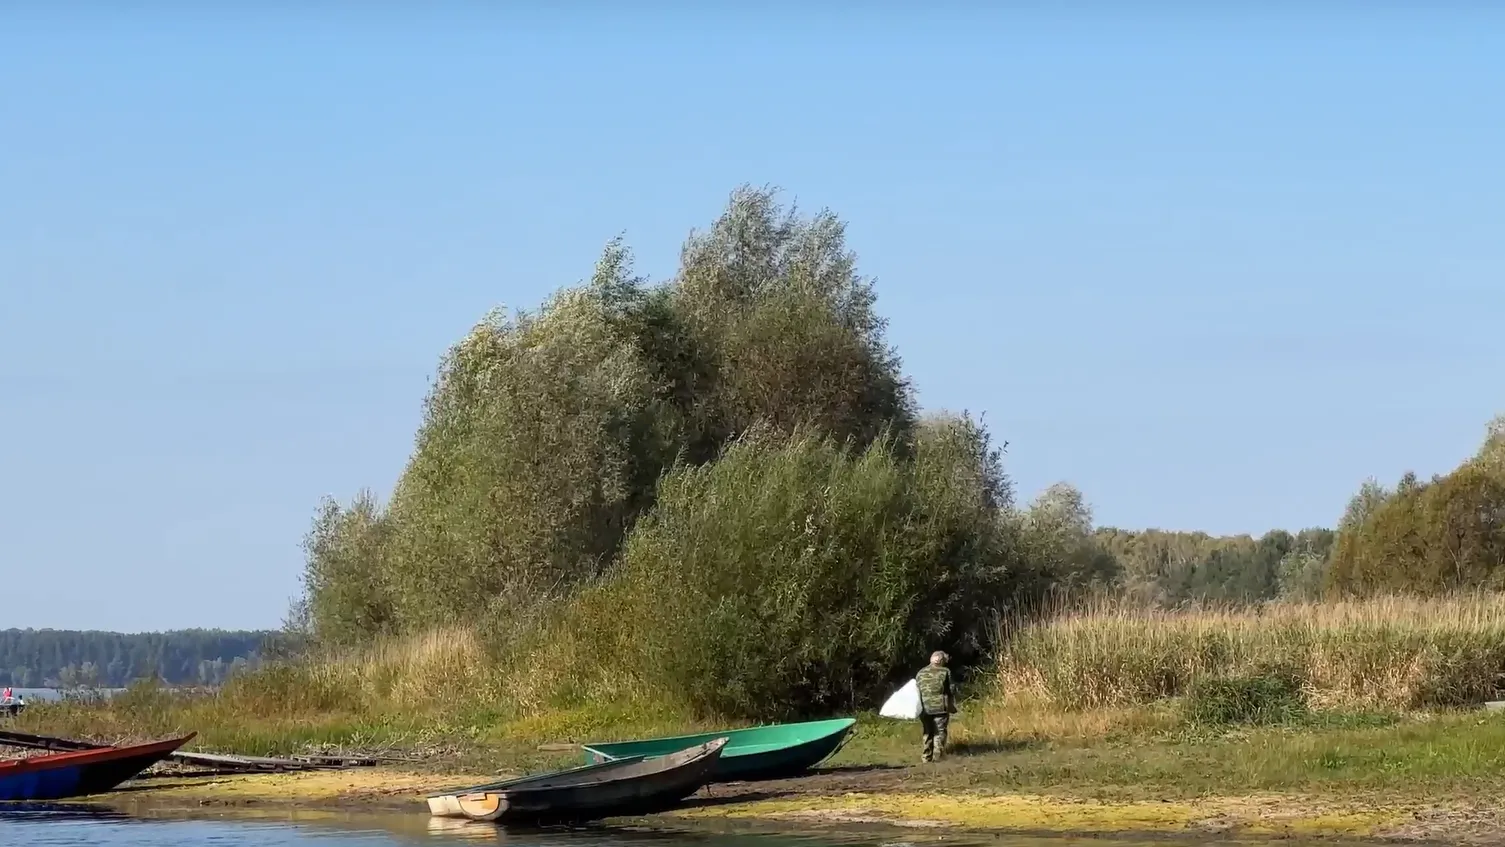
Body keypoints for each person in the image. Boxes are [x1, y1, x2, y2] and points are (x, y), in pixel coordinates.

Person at [915, 650, 956, 762]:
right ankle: (938, 757)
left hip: (924, 708)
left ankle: (926, 757)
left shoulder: (920, 672)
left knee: (927, 732)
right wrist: (951, 705)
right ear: (942, 660)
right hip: (940, 707)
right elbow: (951, 689)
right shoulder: (945, 671)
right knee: (939, 731)